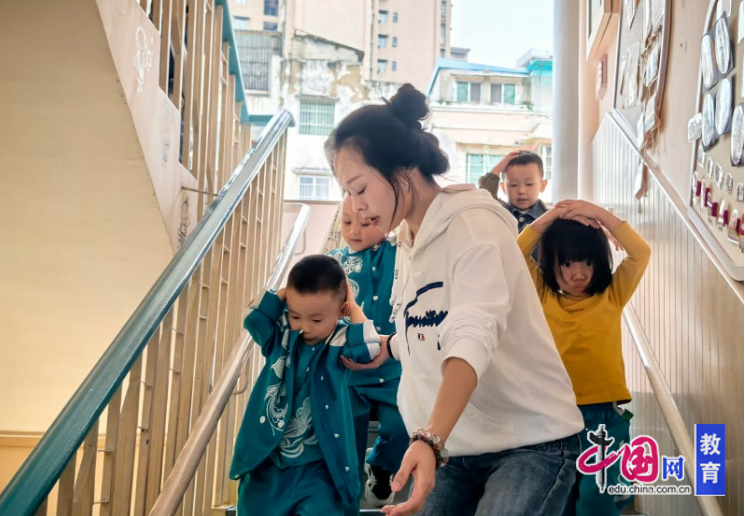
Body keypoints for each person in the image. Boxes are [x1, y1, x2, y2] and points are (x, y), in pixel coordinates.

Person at [331, 83, 585, 516]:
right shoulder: (409, 239)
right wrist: (393, 346)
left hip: (529, 442)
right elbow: (433, 321)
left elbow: (472, 331)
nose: (355, 207)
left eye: (359, 188)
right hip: (456, 448)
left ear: (402, 169)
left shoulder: (472, 227)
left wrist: (429, 437)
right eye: (347, 193)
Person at [516, 200, 651, 516]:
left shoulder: (612, 294)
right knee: (559, 497)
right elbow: (516, 252)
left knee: (596, 497)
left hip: (603, 416)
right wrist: (553, 216)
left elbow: (641, 253)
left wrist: (598, 214)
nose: (579, 274)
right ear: (552, 264)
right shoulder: (543, 296)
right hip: (554, 415)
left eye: (587, 262)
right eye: (567, 264)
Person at [229, 255, 388, 516]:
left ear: (340, 310)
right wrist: (286, 293)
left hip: (319, 467)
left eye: (316, 320)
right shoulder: (280, 335)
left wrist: (353, 308)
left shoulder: (339, 341)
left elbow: (369, 348)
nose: (305, 327)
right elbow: (253, 318)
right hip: (268, 461)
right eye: (295, 315)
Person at [328, 196, 409, 507]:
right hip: (349, 368)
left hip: (393, 366)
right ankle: (346, 497)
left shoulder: (399, 252)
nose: (354, 231)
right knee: (348, 437)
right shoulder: (335, 262)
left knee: (401, 427)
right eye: (347, 222)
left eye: (365, 223)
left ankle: (381, 464)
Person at [478, 150, 548, 233]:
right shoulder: (499, 210)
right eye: (513, 185)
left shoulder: (551, 218)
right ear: (503, 187)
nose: (521, 191)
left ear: (542, 185)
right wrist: (497, 169)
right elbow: (484, 196)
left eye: (529, 184)